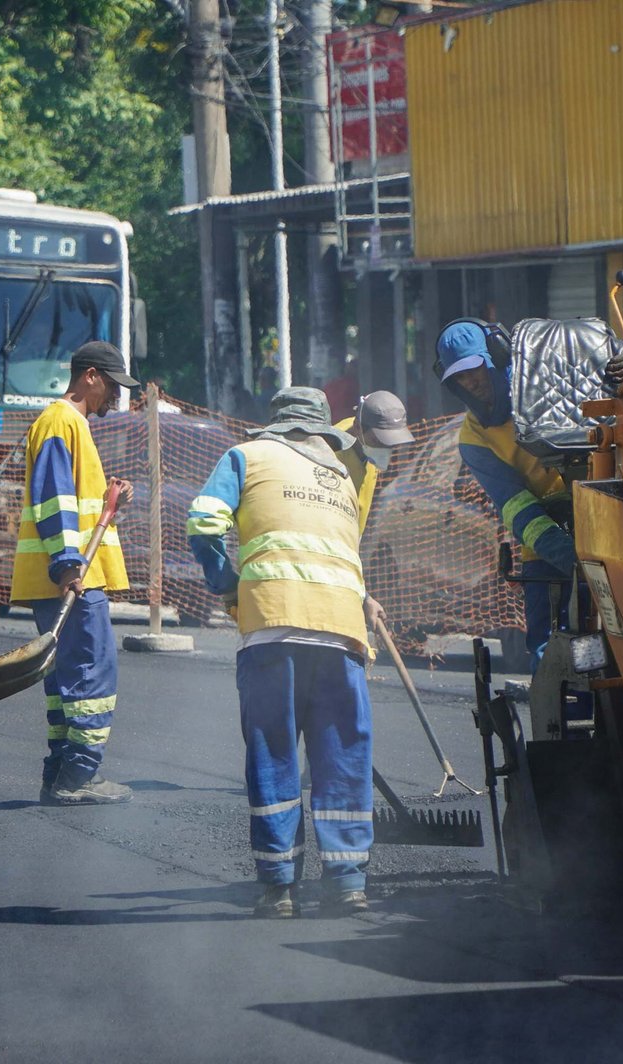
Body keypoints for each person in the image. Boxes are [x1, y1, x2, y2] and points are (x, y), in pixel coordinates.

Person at [187, 387, 377, 918]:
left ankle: (279, 887)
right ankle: (347, 883)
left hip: (272, 628)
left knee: (273, 753)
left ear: (275, 427)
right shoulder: (340, 474)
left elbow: (202, 522)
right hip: (341, 631)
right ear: (320, 432)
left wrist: (228, 585)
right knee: (343, 755)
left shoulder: (246, 457)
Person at [9, 340, 136, 806]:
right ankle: (78, 776)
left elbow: (71, 501)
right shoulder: (62, 422)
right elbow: (54, 500)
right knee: (91, 672)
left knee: (65, 679)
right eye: (112, 387)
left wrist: (110, 503)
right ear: (90, 377)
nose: (114, 399)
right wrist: (66, 565)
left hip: (64, 575)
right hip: (73, 578)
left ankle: (60, 771)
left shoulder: (66, 424)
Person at [436, 320, 575, 671]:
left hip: (598, 516)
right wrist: (567, 556)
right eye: (459, 377)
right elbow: (515, 506)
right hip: (545, 542)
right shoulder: (472, 439)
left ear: (496, 357)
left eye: (474, 370)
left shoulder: (545, 384)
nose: (470, 382)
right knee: (547, 648)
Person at [333, 390, 416, 531]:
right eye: (378, 440)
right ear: (358, 427)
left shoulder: (367, 447)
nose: (384, 449)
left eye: (390, 443)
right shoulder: (331, 456)